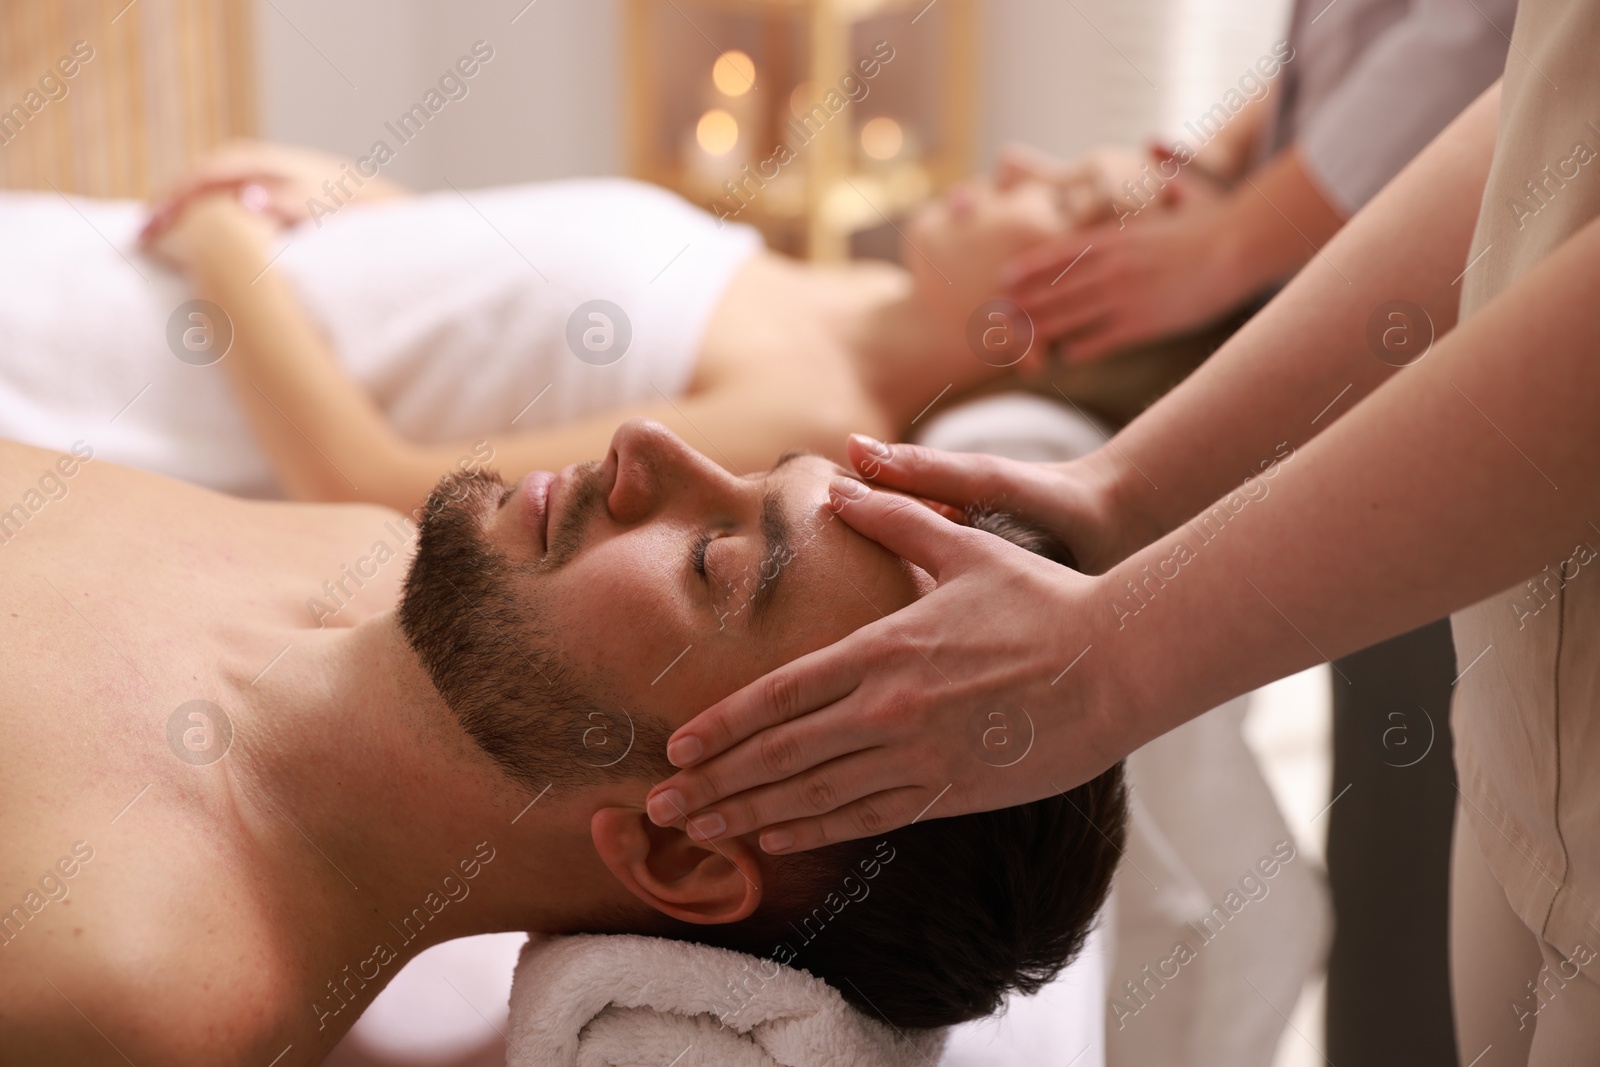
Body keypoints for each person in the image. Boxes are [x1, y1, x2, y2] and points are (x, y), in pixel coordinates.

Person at [647, 1, 1600, 1058]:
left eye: (714, 560)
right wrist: (1125, 496)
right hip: (1531, 739)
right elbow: (1540, 123)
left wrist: (1115, 662)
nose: (641, 454)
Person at [0, 421, 1124, 1064]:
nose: (648, 447)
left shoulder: (139, 982)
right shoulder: (349, 547)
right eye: (753, 469)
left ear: (680, 851)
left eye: (715, 563)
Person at [997, 3, 1515, 1060]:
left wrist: (1230, 238)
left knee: (1426, 847)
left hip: (1450, 358)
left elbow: (1477, 49)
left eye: (1071, 199)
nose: (1009, 164)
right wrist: (1235, 164)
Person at [0, 140, 1083, 510]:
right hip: (123, 268)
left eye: (1070, 201)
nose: (1028, 162)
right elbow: (507, 313)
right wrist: (369, 202)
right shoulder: (818, 279)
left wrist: (230, 262)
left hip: (123, 385)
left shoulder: (804, 417)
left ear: (1046, 339)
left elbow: (380, 491)